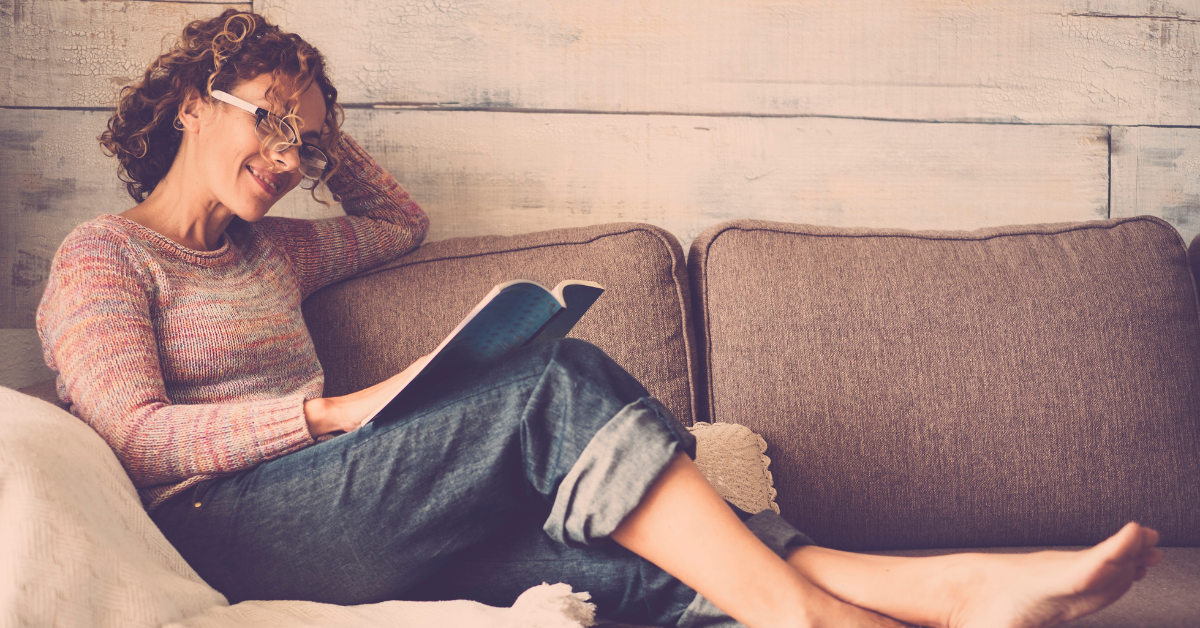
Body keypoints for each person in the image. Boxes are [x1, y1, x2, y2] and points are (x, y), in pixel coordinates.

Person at [35, 9, 1161, 628]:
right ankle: (813, 622)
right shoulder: (102, 258)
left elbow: (401, 217)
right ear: (191, 101)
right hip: (223, 528)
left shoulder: (274, 248)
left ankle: (948, 588)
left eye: (303, 146)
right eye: (270, 130)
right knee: (550, 386)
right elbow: (134, 437)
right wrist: (330, 414)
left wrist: (309, 110)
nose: (287, 163)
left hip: (354, 520)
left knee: (632, 550)